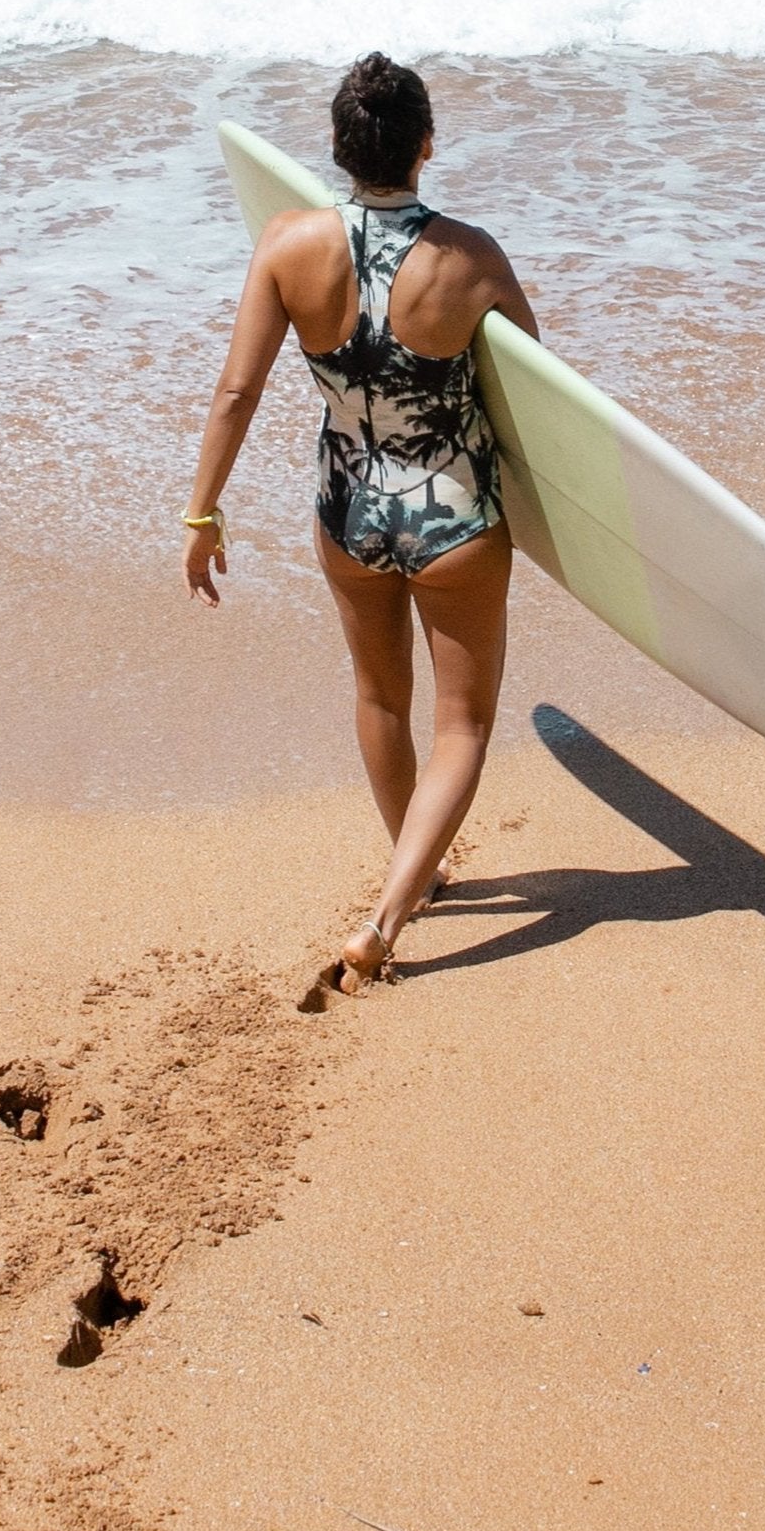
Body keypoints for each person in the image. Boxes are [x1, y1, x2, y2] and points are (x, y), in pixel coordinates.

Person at [181, 53, 538, 995]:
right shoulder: (470, 257)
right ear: (427, 145)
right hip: (454, 516)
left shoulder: (287, 244)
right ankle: (387, 913)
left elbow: (236, 390)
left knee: (379, 701)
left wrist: (201, 512)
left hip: (346, 514)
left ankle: (412, 873)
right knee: (462, 724)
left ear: (337, 150)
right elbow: (539, 401)